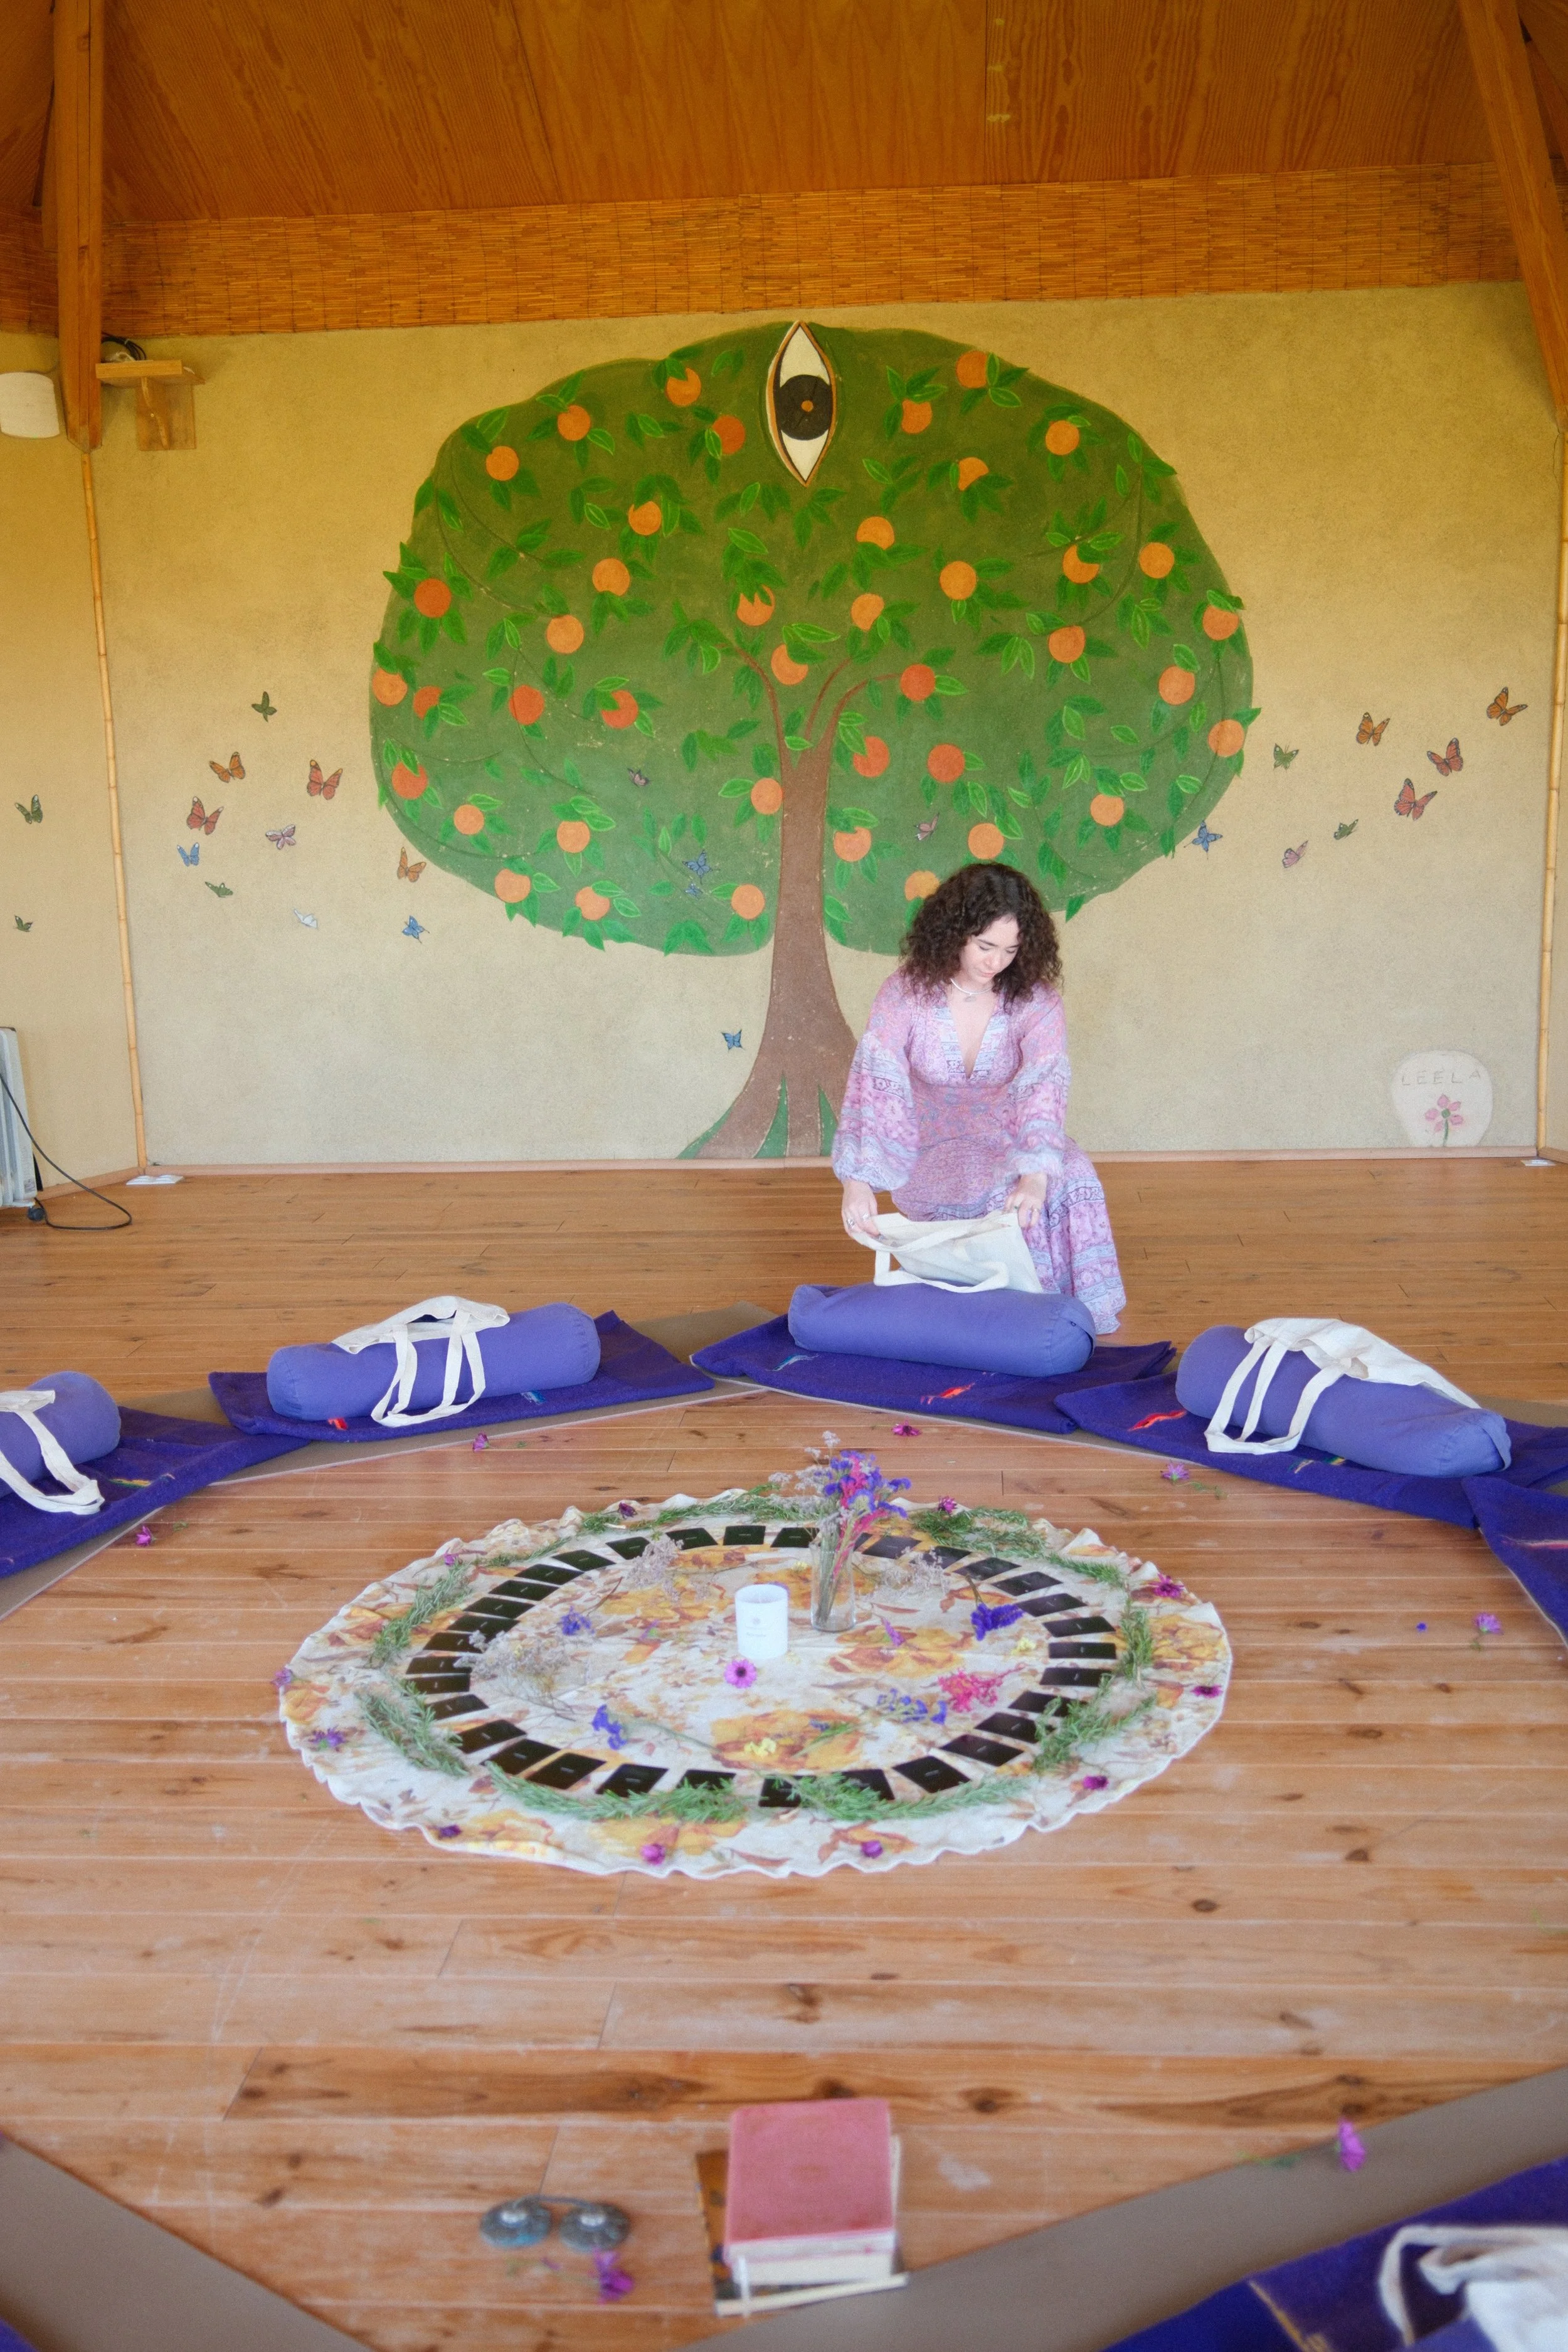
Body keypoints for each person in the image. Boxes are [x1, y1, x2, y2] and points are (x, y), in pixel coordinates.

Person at [834, 862, 1125, 1333]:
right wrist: (857, 1182)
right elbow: (876, 1082)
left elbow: (1044, 1085)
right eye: (985, 946)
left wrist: (1035, 1173)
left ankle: (1065, 1317)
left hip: (1008, 1135)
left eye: (1011, 950)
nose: (996, 962)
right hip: (930, 1145)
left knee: (1071, 1172)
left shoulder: (1036, 1000)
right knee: (994, 1189)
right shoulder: (905, 993)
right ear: (954, 932)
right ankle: (1014, 1322)